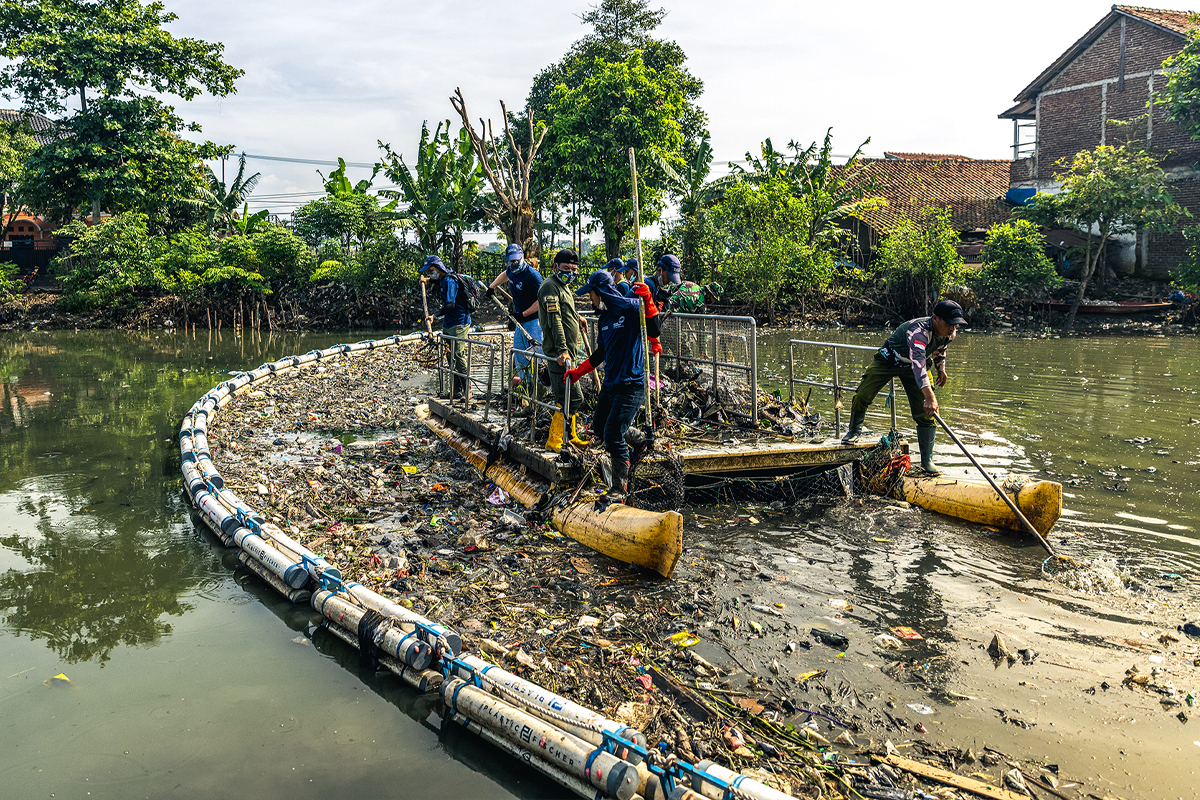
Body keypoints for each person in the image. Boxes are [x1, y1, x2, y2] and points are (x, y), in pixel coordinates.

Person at [842, 299, 969, 475]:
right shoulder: (919, 333)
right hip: (890, 359)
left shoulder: (950, 333)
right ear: (935, 319)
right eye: (949, 324)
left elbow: (941, 348)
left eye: (956, 325)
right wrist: (930, 397)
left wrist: (941, 368)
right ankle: (854, 430)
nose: (953, 328)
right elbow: (918, 366)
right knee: (863, 394)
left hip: (916, 365)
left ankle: (927, 460)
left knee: (927, 412)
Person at [565, 269, 645, 496]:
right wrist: (579, 371)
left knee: (612, 434)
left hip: (631, 384)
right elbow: (601, 352)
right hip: (611, 383)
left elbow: (653, 323)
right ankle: (640, 439)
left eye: (591, 295)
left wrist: (648, 300)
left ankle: (619, 487)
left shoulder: (630, 309)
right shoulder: (604, 319)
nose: (590, 300)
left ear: (600, 292)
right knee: (599, 428)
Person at [537, 248, 586, 447]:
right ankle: (554, 439)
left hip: (569, 353)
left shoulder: (563, 286)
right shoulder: (550, 287)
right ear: (555, 266)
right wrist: (561, 350)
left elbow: (566, 311)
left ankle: (570, 435)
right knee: (570, 396)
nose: (570, 273)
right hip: (559, 354)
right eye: (566, 268)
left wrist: (578, 317)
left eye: (574, 270)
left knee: (569, 396)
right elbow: (554, 319)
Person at [486, 243, 543, 388]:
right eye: (511, 261)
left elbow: (542, 300)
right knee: (518, 353)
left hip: (534, 320)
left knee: (537, 356)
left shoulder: (532, 276)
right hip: (521, 322)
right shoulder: (511, 270)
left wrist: (523, 313)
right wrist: (492, 286)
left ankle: (539, 388)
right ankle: (526, 386)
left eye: (517, 260)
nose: (514, 263)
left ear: (522, 257)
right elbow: (505, 274)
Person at [419, 254, 472, 399]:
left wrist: (434, 316)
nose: (430, 273)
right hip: (449, 322)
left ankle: (468, 391)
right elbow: (437, 281)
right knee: (449, 355)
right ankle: (456, 391)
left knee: (457, 355)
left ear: (437, 268)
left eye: (430, 271)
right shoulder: (443, 278)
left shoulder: (449, 281)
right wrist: (428, 280)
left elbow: (450, 305)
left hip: (459, 322)